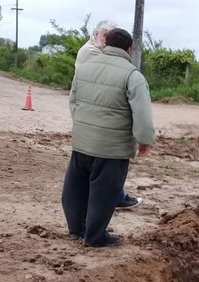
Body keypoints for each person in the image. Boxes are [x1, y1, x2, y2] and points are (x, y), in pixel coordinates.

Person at [62, 28, 155, 247]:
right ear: (128, 48)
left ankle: (76, 229)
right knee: (103, 195)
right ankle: (95, 237)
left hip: (82, 143)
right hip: (112, 149)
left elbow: (73, 102)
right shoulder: (133, 76)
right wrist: (144, 140)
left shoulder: (83, 68)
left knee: (76, 188)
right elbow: (142, 114)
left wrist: (84, 127)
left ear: (106, 44)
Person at [75, 19, 144, 210]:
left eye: (110, 36)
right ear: (96, 34)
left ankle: (114, 197)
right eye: (104, 35)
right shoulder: (92, 52)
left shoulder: (96, 51)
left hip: (94, 111)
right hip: (98, 112)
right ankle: (115, 198)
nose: (107, 40)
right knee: (107, 160)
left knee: (98, 161)